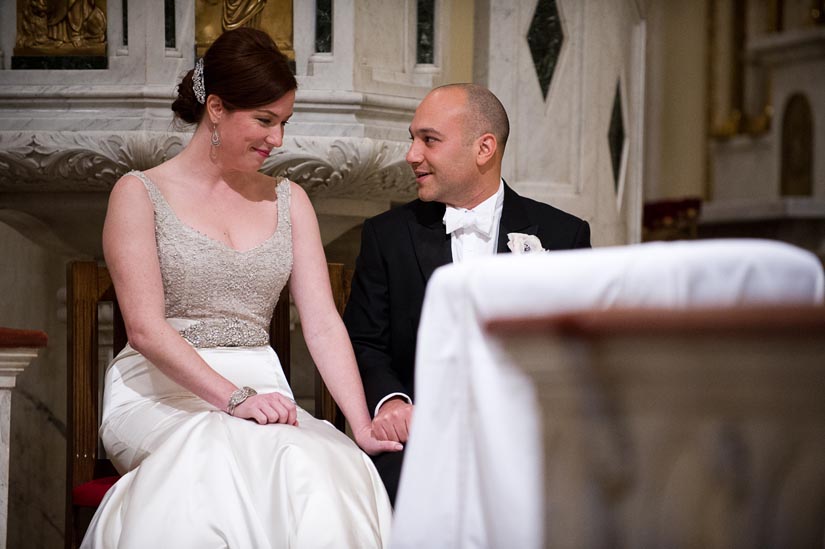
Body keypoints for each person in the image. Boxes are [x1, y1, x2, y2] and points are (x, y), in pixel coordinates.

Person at [81, 27, 400, 548]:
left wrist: (361, 424)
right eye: (264, 120)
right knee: (212, 459)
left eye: (283, 123)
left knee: (315, 466)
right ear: (216, 108)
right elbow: (143, 329)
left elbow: (321, 322)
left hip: (264, 390)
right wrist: (234, 399)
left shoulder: (289, 198)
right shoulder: (139, 193)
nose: (277, 139)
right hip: (158, 390)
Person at [343, 83, 591, 504]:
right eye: (412, 139)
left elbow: (578, 348)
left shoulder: (563, 234)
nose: (411, 155)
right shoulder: (388, 236)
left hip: (531, 436)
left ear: (484, 148)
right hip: (421, 437)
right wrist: (392, 403)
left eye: (429, 140)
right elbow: (364, 341)